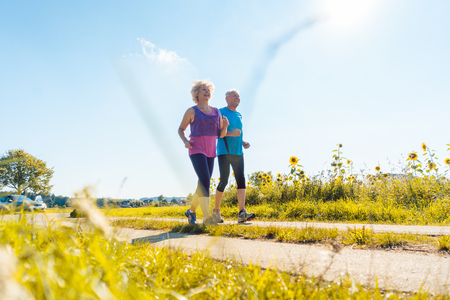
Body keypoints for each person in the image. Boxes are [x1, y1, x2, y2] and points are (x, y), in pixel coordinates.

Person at [178, 79, 229, 226]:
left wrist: (225, 126)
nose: (207, 92)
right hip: (196, 148)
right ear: (197, 94)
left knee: (202, 182)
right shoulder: (192, 111)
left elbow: (221, 134)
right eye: (203, 90)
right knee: (205, 180)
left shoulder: (216, 112)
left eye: (208, 90)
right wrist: (185, 141)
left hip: (211, 150)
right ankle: (206, 218)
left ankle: (191, 211)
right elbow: (180, 129)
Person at [213, 89, 255, 223]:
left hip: (238, 152)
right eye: (234, 95)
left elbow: (239, 133)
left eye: (238, 96)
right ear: (227, 99)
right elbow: (218, 133)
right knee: (224, 180)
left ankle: (242, 212)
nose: (237, 97)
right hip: (224, 151)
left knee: (241, 180)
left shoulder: (239, 115)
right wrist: (232, 133)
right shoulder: (220, 112)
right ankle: (216, 211)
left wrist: (242, 142)